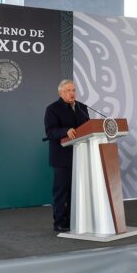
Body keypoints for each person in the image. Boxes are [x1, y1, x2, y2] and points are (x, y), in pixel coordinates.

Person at [44, 79, 90, 232]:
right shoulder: (52, 109)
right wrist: (65, 131)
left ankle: (73, 220)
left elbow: (88, 128)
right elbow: (50, 132)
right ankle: (59, 222)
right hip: (62, 157)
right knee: (61, 191)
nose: (72, 93)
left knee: (76, 191)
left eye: (74, 90)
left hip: (81, 155)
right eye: (69, 91)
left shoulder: (82, 108)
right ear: (61, 93)